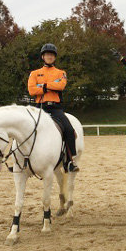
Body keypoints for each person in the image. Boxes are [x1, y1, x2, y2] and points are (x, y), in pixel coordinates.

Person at [28, 43, 78, 172]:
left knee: (69, 130)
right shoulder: (34, 73)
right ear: (43, 57)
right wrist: (50, 86)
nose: (49, 57)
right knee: (24, 129)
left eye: (52, 55)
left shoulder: (61, 73)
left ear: (54, 57)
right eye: (47, 55)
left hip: (55, 108)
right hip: (39, 108)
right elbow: (31, 90)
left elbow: (60, 86)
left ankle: (70, 161)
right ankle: (22, 161)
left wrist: (42, 86)